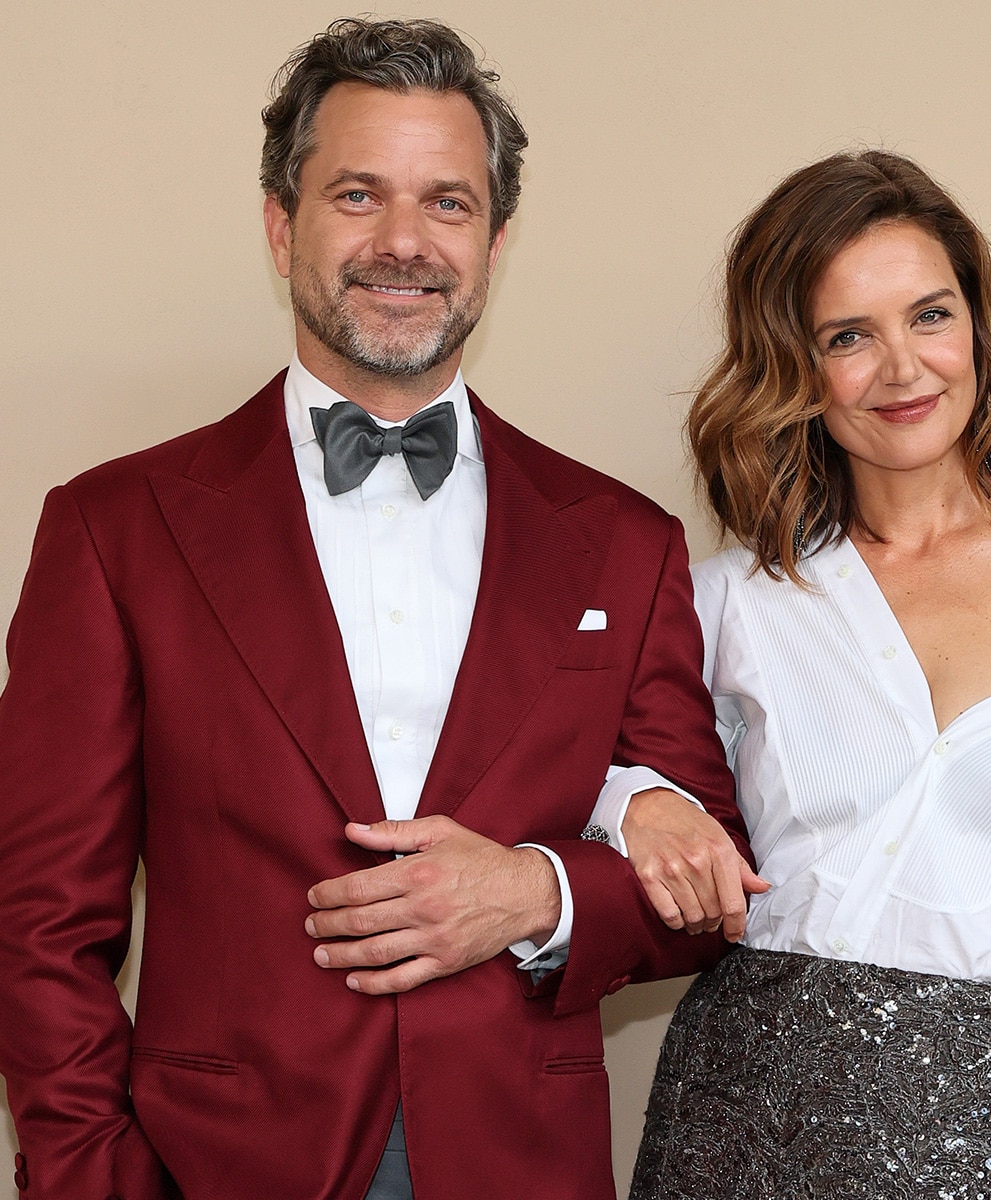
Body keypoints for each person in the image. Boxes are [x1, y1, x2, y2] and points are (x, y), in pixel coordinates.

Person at [0, 18, 753, 1200]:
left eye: (447, 204)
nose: (403, 243)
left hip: (521, 1165)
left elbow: (709, 888)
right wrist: (93, 1180)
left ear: (497, 240)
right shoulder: (113, 530)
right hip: (215, 1167)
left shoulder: (625, 545)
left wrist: (536, 893)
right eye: (357, 194)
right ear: (278, 222)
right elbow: (39, 922)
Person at [610, 151, 991, 1198]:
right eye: (849, 336)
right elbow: (588, 771)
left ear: (978, 321)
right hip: (727, 1136)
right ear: (794, 366)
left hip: (970, 1145)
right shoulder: (733, 598)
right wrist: (640, 800)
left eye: (930, 315)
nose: (903, 368)